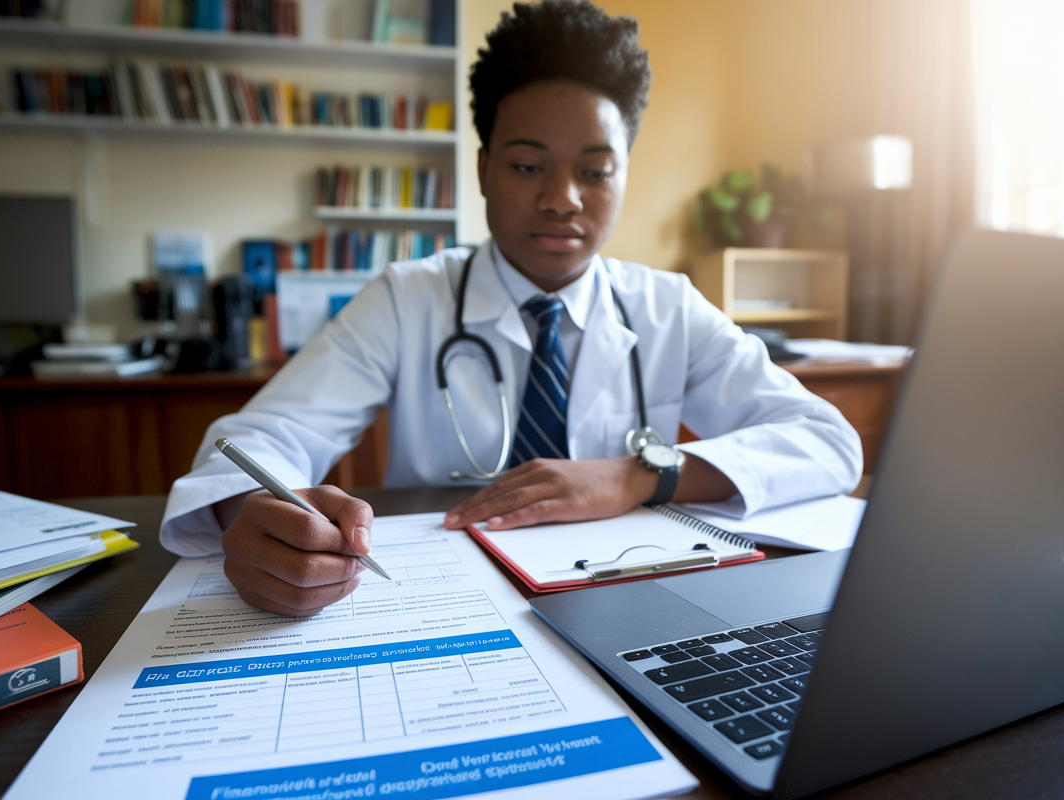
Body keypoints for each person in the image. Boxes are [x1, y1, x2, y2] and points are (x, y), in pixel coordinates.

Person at [160, 0, 862, 617]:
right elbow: (258, 441)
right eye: (529, 166)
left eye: (594, 170)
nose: (564, 198)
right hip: (443, 605)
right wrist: (249, 517)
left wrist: (638, 474)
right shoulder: (409, 297)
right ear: (484, 167)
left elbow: (828, 442)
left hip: (627, 602)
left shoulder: (666, 306)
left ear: (622, 175)